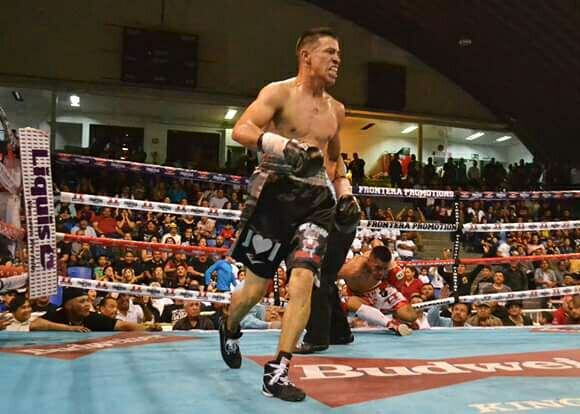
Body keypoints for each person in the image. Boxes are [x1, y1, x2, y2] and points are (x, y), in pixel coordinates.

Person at [219, 27, 357, 402]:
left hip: (316, 202)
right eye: (329, 52)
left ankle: (278, 370)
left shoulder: (337, 110)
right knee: (254, 290)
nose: (337, 59)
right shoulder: (278, 93)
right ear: (306, 55)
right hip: (274, 197)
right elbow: (241, 129)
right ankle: (229, 324)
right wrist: (281, 144)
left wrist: (345, 190)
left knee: (303, 280)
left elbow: (335, 160)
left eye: (339, 54)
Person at [339, 242, 417, 335]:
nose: (381, 273)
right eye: (378, 268)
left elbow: (376, 243)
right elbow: (328, 277)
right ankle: (390, 323)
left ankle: (386, 316)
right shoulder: (354, 268)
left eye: (385, 269)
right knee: (348, 301)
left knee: (411, 316)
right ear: (369, 260)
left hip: (381, 290)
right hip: (360, 297)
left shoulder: (389, 262)